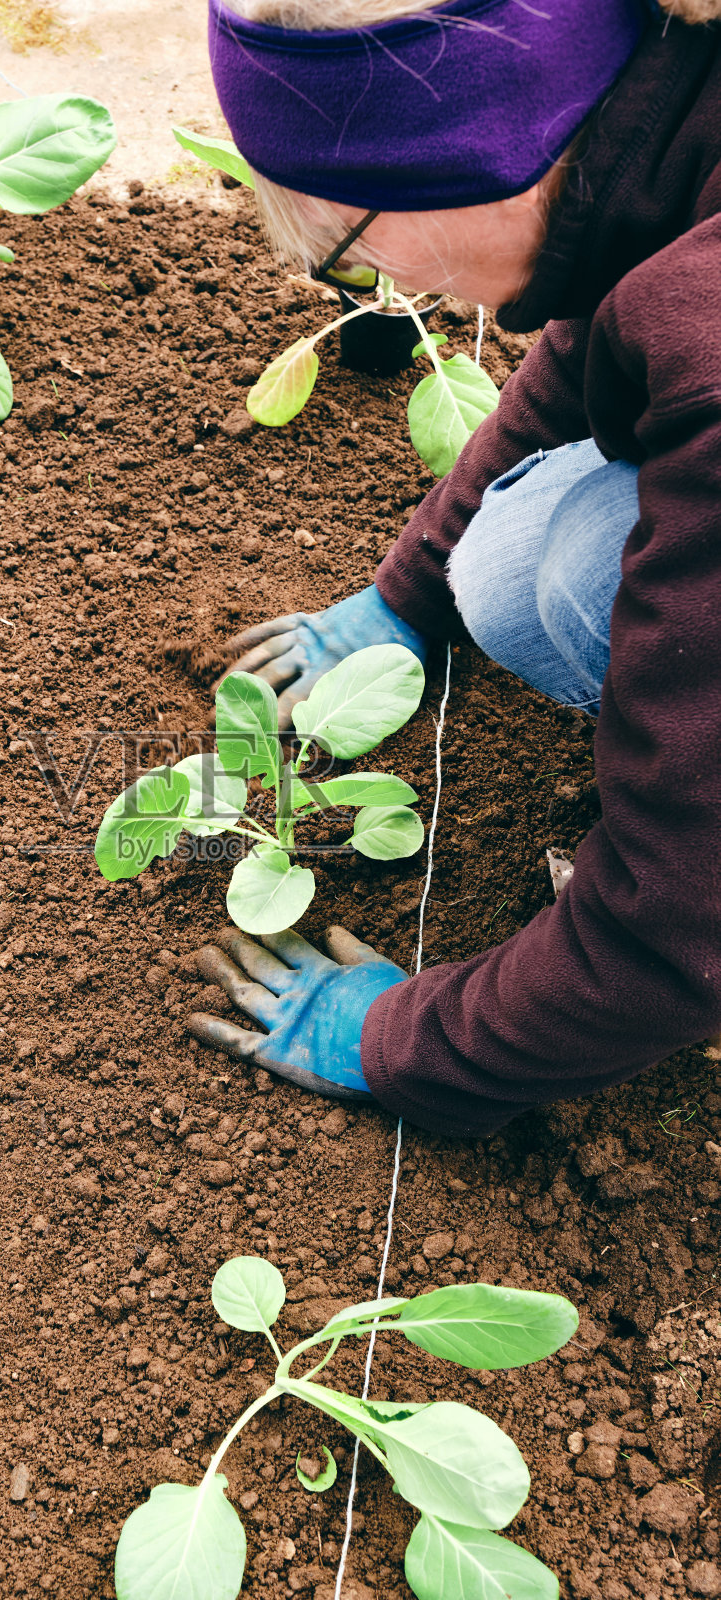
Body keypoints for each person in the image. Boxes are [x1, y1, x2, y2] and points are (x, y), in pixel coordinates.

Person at [185, 0, 721, 1137]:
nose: (383, 287)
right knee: (515, 563)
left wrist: (403, 1041)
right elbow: (610, 329)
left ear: (461, 160)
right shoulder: (667, 112)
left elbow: (681, 919)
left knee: (581, 572)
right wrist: (405, 592)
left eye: (351, 248)